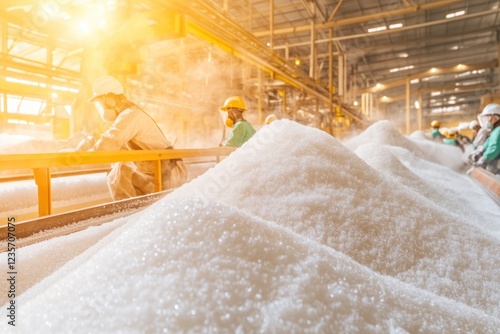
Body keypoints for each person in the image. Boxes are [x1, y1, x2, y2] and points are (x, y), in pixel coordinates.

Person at [74, 75, 188, 200]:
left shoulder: (131, 115)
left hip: (167, 174)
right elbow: (117, 147)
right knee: (120, 168)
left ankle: (127, 211)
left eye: (101, 102)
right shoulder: (129, 115)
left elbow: (109, 142)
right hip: (161, 171)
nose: (101, 108)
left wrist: (81, 160)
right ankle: (131, 210)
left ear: (110, 99)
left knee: (120, 171)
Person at [471, 103, 500, 174]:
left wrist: (484, 159)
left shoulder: (499, 130)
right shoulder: (495, 130)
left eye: (488, 117)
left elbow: (494, 147)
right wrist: (480, 151)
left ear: (495, 118)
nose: (487, 120)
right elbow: (489, 141)